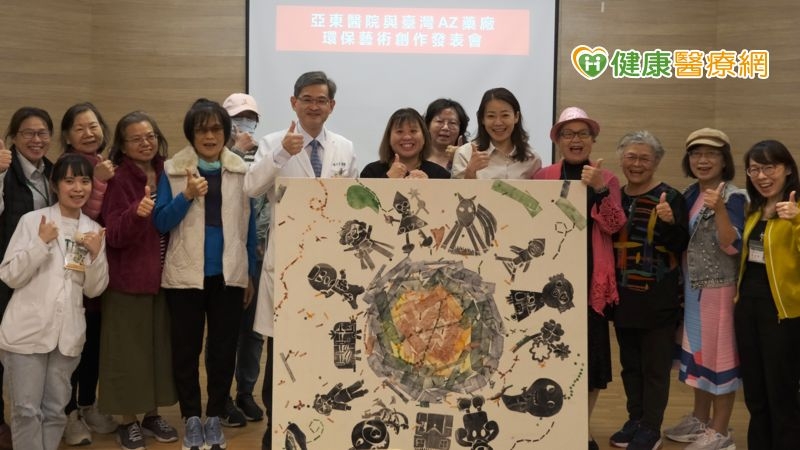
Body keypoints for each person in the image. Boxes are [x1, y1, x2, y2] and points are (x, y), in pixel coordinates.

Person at [243, 70, 358, 450]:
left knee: (321, 348)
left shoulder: (344, 147)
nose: (314, 106)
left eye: (321, 100)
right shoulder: (273, 142)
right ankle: (275, 428)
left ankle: (317, 425)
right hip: (287, 266)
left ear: (331, 106)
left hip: (329, 266)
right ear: (294, 103)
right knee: (282, 352)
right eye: (306, 99)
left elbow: (350, 203)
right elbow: (251, 187)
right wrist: (282, 153)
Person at [154, 98, 257, 450]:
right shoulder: (173, 170)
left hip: (229, 275)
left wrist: (249, 273)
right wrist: (186, 195)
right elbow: (160, 222)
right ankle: (191, 418)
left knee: (224, 350)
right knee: (186, 350)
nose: (210, 136)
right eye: (202, 130)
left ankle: (214, 416)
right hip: (185, 276)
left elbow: (249, 226)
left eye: (216, 129)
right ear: (191, 134)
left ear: (226, 133)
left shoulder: (240, 170)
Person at [0, 153, 108, 450]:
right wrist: (41, 243)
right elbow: (10, 275)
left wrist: (96, 256)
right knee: (25, 411)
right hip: (27, 333)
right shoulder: (33, 221)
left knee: (55, 411)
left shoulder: (93, 230)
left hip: (67, 335)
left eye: (84, 181)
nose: (78, 188)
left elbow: (95, 289)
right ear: (54, 184)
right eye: (69, 181)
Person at [533, 107, 626, 450]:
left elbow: (614, 226)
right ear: (557, 141)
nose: (576, 140)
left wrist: (599, 189)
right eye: (568, 134)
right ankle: (551, 427)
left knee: (592, 359)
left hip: (590, 282)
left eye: (583, 134)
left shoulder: (607, 178)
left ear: (593, 140)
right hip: (548, 281)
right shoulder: (543, 176)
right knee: (550, 353)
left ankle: (581, 430)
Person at [98, 111, 179, 449]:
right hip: (128, 280)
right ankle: (127, 420)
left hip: (164, 278)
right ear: (122, 145)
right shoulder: (118, 178)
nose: (145, 143)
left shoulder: (168, 170)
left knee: (157, 351)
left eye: (150, 136)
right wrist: (136, 213)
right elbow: (113, 233)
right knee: (126, 354)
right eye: (136, 139)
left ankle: (151, 415)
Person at [664, 128, 745, 450]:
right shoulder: (689, 193)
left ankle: (720, 431)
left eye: (711, 154)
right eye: (696, 154)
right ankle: (700, 419)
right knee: (699, 355)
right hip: (693, 289)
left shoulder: (734, 196)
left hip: (719, 291)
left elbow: (732, 245)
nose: (703, 160)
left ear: (724, 161)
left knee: (719, 359)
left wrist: (721, 209)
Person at [610, 130, 690, 450]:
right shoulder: (615, 197)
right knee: (630, 366)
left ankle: (651, 428)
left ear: (656, 162)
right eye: (631, 157)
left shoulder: (671, 197)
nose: (637, 164)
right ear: (621, 159)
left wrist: (669, 223)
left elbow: (680, 244)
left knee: (655, 368)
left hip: (659, 298)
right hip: (622, 296)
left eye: (645, 158)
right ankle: (635, 419)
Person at [58, 101, 118, 446]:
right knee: (71, 345)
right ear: (67, 135)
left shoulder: (103, 163)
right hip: (75, 260)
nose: (88, 132)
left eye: (93, 125)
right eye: (79, 128)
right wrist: (98, 182)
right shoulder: (69, 165)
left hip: (98, 261)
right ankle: (68, 412)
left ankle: (87, 404)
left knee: (93, 342)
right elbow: (86, 214)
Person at [735, 140, 800, 450]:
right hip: (748, 309)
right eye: (754, 169)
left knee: (781, 394)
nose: (761, 176)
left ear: (787, 169)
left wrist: (797, 220)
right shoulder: (755, 209)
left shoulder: (796, 209)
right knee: (755, 394)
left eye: (769, 167)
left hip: (782, 314)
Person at [0, 107, 57, 450]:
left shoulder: (54, 172)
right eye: (28, 133)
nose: (36, 140)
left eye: (42, 133)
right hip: (7, 271)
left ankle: (42, 417)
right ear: (14, 137)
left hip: (43, 274)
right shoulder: (6, 171)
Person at [221, 92, 266, 426]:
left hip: (260, 251)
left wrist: (261, 242)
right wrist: (236, 151)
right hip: (224, 254)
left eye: (250, 118)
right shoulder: (216, 154)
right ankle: (221, 397)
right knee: (225, 330)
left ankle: (245, 392)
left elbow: (265, 198)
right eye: (238, 118)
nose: (244, 123)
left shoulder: (265, 151)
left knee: (253, 331)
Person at [451, 87, 541, 180]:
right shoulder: (465, 154)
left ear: (516, 117)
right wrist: (470, 172)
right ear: (482, 119)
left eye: (505, 115)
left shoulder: (532, 159)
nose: (498, 122)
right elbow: (455, 189)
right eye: (491, 116)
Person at [360, 108, 450, 179]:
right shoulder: (371, 172)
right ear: (389, 137)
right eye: (399, 131)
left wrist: (429, 186)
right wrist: (387, 179)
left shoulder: (440, 175)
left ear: (424, 137)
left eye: (413, 131)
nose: (407, 137)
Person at [423, 98, 469, 170]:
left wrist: (460, 160)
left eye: (452, 123)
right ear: (427, 125)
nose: (445, 127)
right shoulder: (415, 157)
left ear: (461, 128)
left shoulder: (469, 157)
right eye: (439, 121)